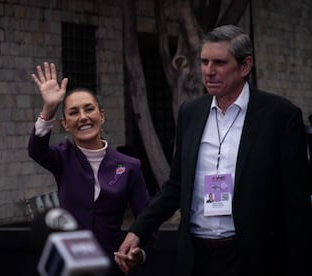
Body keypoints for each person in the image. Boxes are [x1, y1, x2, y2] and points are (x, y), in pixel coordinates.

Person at [114, 24, 312, 276]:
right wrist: (138, 230)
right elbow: (176, 185)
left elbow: (295, 203)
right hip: (195, 257)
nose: (208, 71)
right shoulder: (191, 112)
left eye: (219, 62)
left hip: (253, 259)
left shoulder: (280, 116)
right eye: (204, 62)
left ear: (245, 66)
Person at [28, 62, 152, 275]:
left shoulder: (130, 166)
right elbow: (36, 150)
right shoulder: (62, 157)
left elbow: (147, 221)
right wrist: (49, 108)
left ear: (101, 116)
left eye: (89, 109)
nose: (83, 117)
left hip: (113, 266)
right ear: (65, 124)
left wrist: (138, 254)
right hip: (70, 266)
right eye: (74, 113)